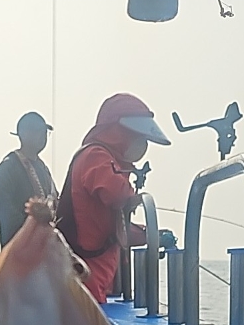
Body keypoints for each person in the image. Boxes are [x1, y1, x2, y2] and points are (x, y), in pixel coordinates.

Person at [56, 93, 171, 304]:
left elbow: (113, 229)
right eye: (138, 137)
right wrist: (132, 195)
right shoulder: (95, 156)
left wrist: (150, 235)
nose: (142, 144)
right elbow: (117, 194)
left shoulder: (111, 162)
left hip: (94, 282)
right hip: (84, 279)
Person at [0, 111, 57, 246]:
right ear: (23, 134)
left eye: (45, 133)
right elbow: (2, 205)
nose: (43, 137)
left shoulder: (43, 168)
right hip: (19, 248)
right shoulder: (9, 166)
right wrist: (29, 228)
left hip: (43, 247)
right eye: (39, 131)